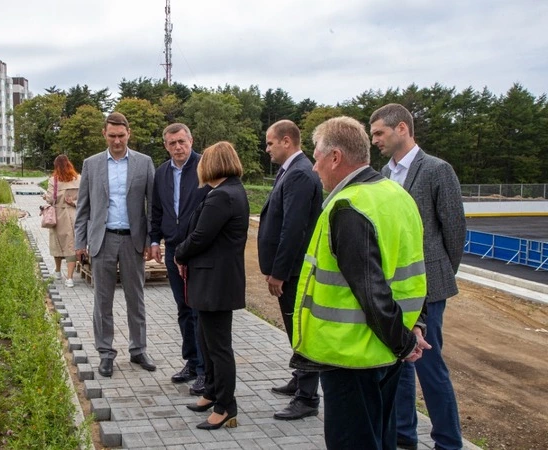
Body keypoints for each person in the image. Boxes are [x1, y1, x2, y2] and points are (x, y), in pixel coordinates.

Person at [291, 116, 430, 449]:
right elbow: (411, 271)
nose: (314, 167)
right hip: (386, 354)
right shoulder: (396, 195)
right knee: (380, 439)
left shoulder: (348, 207)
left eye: (317, 157)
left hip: (352, 357)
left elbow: (372, 291)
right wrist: (414, 327)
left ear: (336, 157)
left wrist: (404, 343)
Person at [370, 103, 466, 450]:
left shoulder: (437, 170)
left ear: (402, 130)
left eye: (379, 133)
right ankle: (403, 436)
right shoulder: (383, 173)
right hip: (395, 286)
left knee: (429, 365)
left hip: (429, 287)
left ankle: (448, 442)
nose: (375, 140)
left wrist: (437, 280)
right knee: (400, 362)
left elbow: (454, 231)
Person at [74, 112, 156, 378]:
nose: (117, 141)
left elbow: (152, 207)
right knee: (102, 300)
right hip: (103, 240)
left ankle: (138, 349)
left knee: (137, 298)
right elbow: (83, 208)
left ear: (129, 134)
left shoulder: (144, 163)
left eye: (121, 136)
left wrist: (151, 240)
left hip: (133, 240)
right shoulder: (91, 164)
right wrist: (80, 242)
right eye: (112, 136)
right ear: (104, 134)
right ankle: (106, 353)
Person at [175, 141, 249, 430]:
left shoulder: (223, 196)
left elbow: (200, 236)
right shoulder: (224, 191)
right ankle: (212, 393)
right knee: (207, 341)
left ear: (213, 163)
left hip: (216, 282)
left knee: (219, 347)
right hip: (212, 279)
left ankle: (226, 407)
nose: (199, 166)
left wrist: (179, 253)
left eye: (203, 160)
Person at [257, 120, 323, 420]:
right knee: (295, 328)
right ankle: (301, 378)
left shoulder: (299, 174)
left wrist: (279, 272)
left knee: (301, 330)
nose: (267, 148)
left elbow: (293, 229)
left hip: (294, 272)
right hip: (291, 271)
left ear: (287, 141)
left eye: (270, 143)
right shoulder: (291, 171)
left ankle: (307, 397)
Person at [149, 123, 210, 395]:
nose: (178, 147)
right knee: (183, 308)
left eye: (182, 141)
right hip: (173, 249)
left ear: (191, 140)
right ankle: (192, 361)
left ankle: (206, 371)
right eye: (172, 143)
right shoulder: (161, 173)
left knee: (199, 311)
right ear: (165, 145)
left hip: (198, 249)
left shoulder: (205, 167)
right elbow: (157, 210)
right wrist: (154, 240)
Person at [44, 154, 81, 288]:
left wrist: (45, 197)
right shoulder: (78, 179)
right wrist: (73, 202)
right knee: (71, 245)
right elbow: (84, 198)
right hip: (73, 215)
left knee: (57, 243)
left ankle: (58, 271)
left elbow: (49, 199)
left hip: (58, 215)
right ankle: (70, 278)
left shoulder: (53, 180)